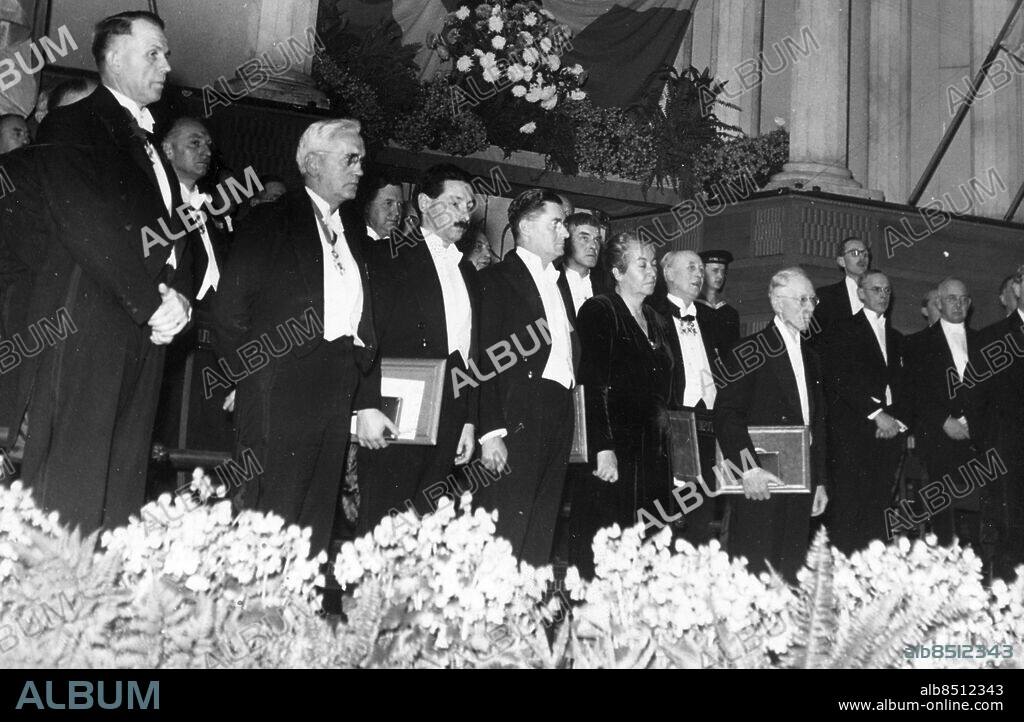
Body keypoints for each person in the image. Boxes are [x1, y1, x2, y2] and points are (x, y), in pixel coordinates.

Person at [7, 10, 194, 532]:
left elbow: (176, 236)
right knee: (73, 481)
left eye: (166, 54)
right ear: (112, 58)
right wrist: (152, 301)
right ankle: (57, 604)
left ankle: (106, 603)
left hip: (144, 327)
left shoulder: (152, 141)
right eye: (153, 53)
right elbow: (84, 224)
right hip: (88, 323)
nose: (166, 64)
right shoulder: (74, 124)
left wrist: (178, 296)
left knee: (123, 482)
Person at [211, 118, 380, 555]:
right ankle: (252, 615)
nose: (361, 169)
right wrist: (248, 378)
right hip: (279, 383)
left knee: (316, 513)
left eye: (361, 159)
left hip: (335, 384)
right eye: (351, 159)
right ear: (312, 163)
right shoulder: (271, 220)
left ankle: (301, 616)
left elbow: (362, 320)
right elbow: (229, 312)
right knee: (271, 509)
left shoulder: (354, 230)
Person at [357, 164, 480, 533]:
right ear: (425, 203)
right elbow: (368, 338)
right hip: (399, 408)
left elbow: (472, 351)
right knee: (384, 520)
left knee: (430, 524)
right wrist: (366, 405)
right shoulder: (387, 256)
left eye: (469, 205)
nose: (464, 213)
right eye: (454, 202)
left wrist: (470, 420)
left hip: (452, 412)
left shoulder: (468, 272)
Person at [475, 189, 579, 566]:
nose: (565, 233)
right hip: (517, 413)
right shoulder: (496, 279)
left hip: (556, 409)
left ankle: (526, 615)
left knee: (542, 525)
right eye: (556, 223)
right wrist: (491, 432)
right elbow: (483, 359)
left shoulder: (558, 283)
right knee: (505, 527)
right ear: (525, 226)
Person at [568, 233, 673, 578]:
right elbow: (593, 383)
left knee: (649, 549)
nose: (651, 271)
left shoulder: (658, 320)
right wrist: (602, 447)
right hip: (615, 449)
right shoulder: (600, 310)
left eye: (654, 263)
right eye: (642, 264)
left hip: (653, 455)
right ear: (616, 271)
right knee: (606, 544)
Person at [714, 267, 829, 582]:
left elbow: (816, 425)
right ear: (779, 304)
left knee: (790, 571)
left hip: (800, 480)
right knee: (755, 569)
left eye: (812, 300)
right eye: (802, 299)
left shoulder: (813, 357)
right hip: (760, 479)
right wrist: (747, 468)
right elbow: (727, 414)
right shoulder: (748, 350)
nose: (810, 307)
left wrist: (818, 481)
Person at [821, 271, 908, 554]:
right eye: (876, 289)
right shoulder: (841, 329)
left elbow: (903, 385)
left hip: (888, 435)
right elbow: (841, 379)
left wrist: (896, 420)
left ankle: (872, 579)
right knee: (849, 508)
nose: (883, 295)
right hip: (855, 433)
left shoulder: (896, 337)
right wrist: (876, 414)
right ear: (860, 294)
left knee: (879, 507)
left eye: (887, 290)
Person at [648, 250, 723, 546]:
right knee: (669, 512)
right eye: (691, 267)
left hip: (709, 423)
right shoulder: (652, 314)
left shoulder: (711, 318)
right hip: (673, 423)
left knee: (702, 511)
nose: (698, 274)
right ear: (668, 274)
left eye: (701, 269)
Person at [904, 277, 979, 546]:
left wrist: (974, 421)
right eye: (951, 298)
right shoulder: (917, 344)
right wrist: (944, 420)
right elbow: (914, 392)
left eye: (963, 299)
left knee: (980, 511)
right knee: (942, 510)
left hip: (977, 437)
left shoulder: (984, 340)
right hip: (938, 436)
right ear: (938, 302)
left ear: (969, 304)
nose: (957, 304)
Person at [967, 266, 1024, 580]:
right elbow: (974, 398)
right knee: (1009, 534)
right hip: (1007, 454)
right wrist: (991, 443)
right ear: (1016, 289)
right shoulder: (993, 337)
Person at [812, 237, 871, 341]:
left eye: (865, 254)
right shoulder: (825, 296)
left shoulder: (876, 294)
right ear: (841, 261)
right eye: (855, 253)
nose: (862, 258)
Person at [558, 212, 608, 314]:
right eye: (584, 238)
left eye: (596, 240)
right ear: (566, 241)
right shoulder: (551, 281)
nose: (593, 246)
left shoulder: (607, 284)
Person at [697, 249, 740, 350]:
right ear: (702, 272)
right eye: (715, 271)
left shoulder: (730, 313)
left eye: (723, 272)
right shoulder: (691, 309)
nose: (720, 276)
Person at [357, 171, 405, 242]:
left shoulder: (400, 246)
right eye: (389, 203)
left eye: (400, 204)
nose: (397, 212)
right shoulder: (352, 243)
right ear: (367, 205)